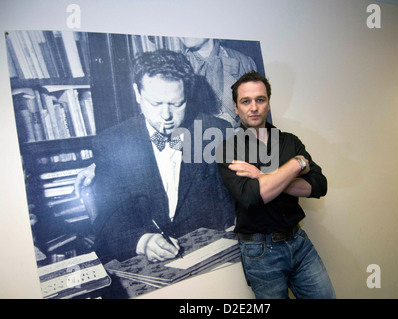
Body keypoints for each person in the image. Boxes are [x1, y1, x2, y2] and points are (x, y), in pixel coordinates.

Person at [91, 50, 235, 263]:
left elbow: (234, 200)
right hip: (143, 261)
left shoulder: (215, 131)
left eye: (177, 104)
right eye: (156, 104)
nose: (166, 116)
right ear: (137, 93)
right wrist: (143, 241)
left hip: (207, 253)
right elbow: (107, 219)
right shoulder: (112, 144)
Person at [216, 71, 335, 299]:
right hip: (260, 252)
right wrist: (297, 165)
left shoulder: (289, 140)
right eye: (245, 101)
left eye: (260, 100)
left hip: (299, 242)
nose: (254, 107)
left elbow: (319, 185)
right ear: (235, 106)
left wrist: (263, 175)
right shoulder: (228, 149)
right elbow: (251, 198)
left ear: (268, 102)